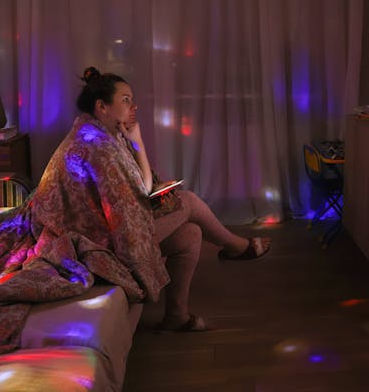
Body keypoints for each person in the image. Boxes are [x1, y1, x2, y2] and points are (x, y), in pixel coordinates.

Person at [74, 67, 270, 331]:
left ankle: (176, 315)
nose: (134, 106)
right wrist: (139, 143)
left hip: (111, 231)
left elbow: (135, 191)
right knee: (187, 201)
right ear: (102, 107)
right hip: (100, 242)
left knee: (190, 234)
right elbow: (140, 190)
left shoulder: (105, 135)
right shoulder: (95, 143)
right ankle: (236, 246)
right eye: (125, 100)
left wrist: (154, 185)